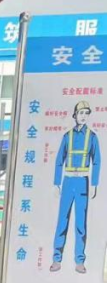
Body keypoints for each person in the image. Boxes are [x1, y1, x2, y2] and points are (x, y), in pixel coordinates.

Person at [52, 100, 100, 273]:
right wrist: (56, 183)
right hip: (68, 181)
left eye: (86, 113)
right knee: (62, 221)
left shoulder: (92, 136)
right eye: (81, 113)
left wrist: (94, 184)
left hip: (82, 183)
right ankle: (56, 259)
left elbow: (97, 161)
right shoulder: (67, 136)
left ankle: (79, 261)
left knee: (81, 223)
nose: (84, 116)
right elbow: (59, 160)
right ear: (75, 115)